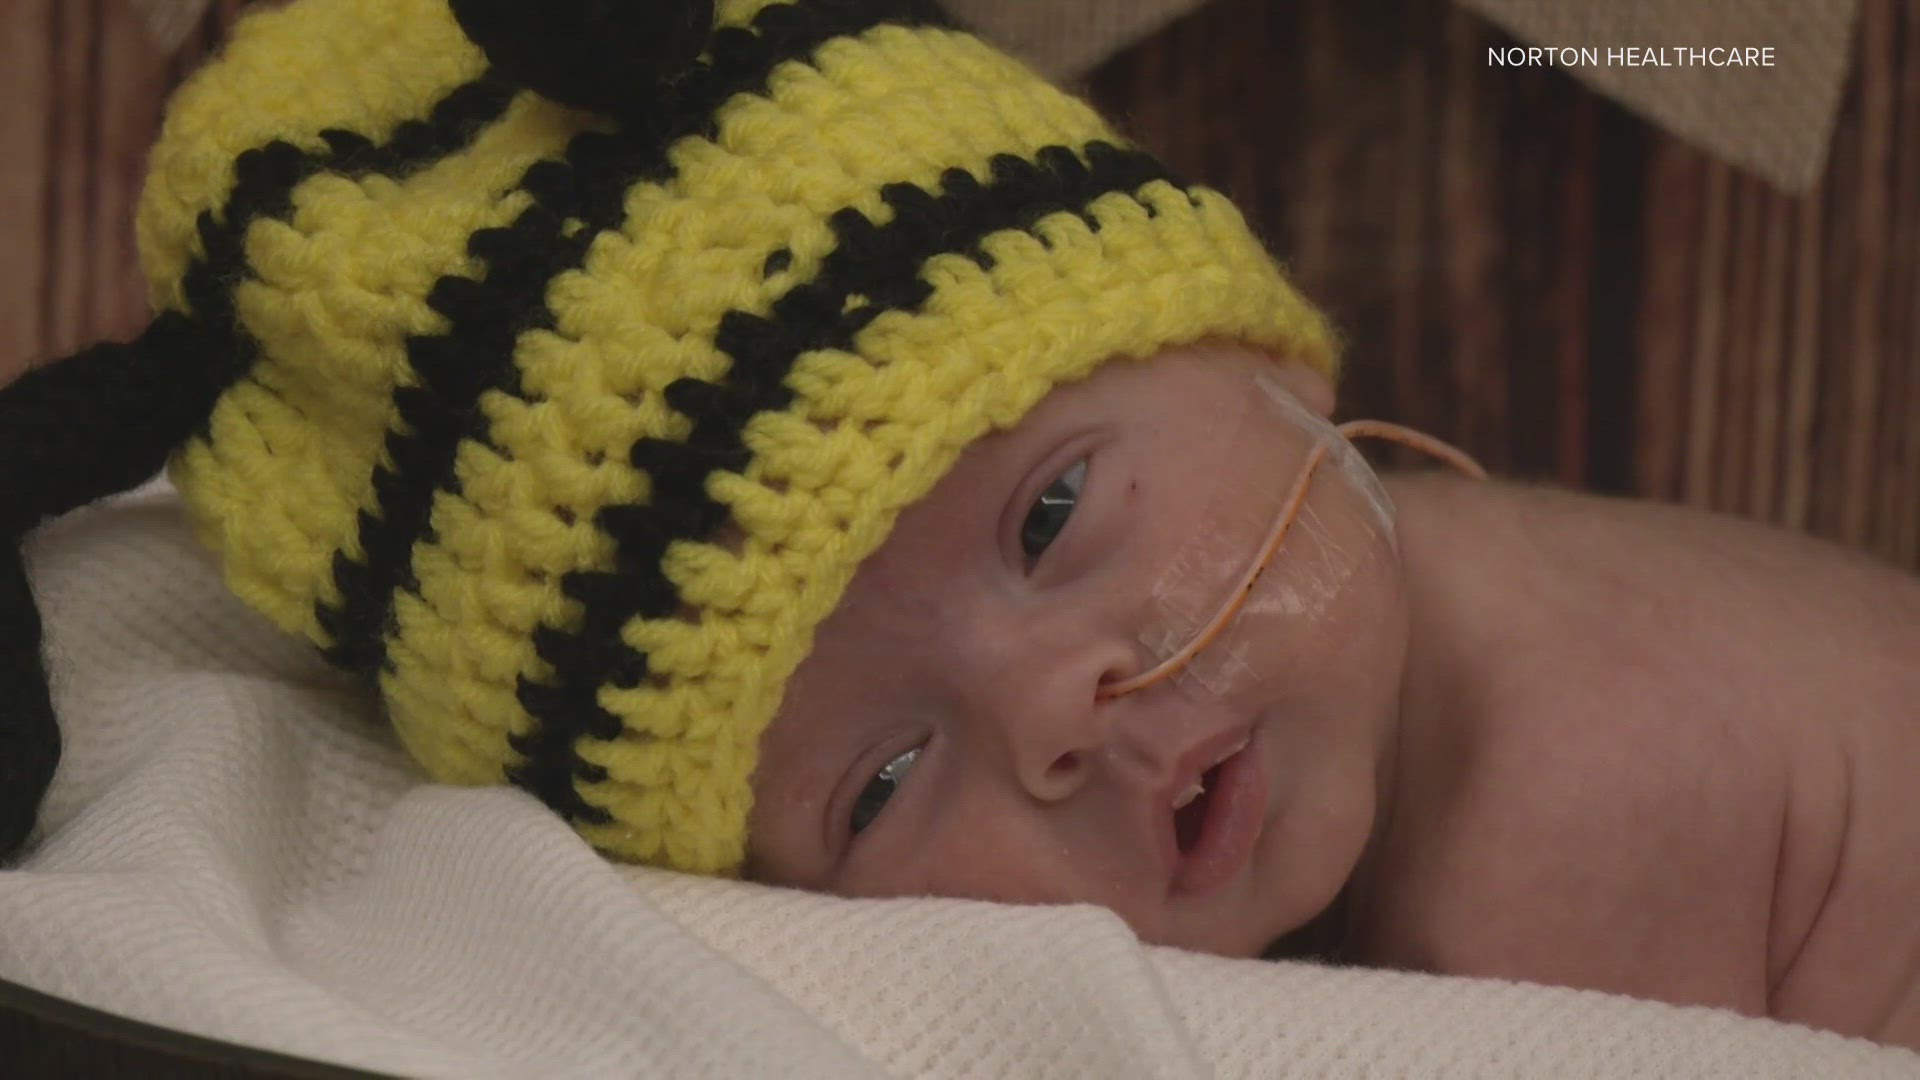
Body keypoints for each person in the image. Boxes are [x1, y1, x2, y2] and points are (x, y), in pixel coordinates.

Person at [2, 0, 1915, 1053]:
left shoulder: (1557, 832)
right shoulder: (1399, 603)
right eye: (884, 781)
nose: (1058, 709)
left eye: (1054, 511)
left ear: (1256, 348)